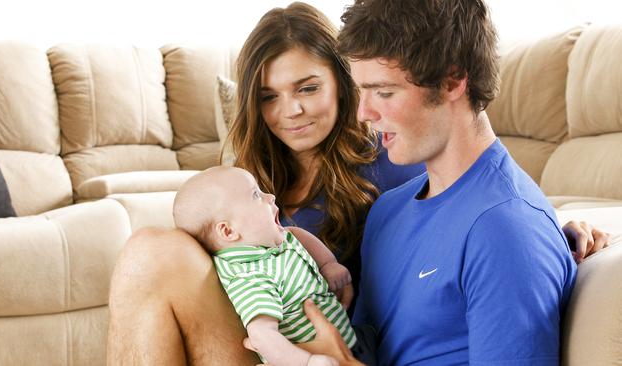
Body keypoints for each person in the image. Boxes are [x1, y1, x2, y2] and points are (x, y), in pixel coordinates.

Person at [106, 2, 609, 365]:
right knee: (153, 251)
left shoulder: (501, 228)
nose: (365, 114)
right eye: (364, 91)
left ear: (454, 81)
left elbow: (499, 225)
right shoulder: (391, 211)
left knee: (154, 255)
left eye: (383, 92)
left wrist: (542, 229)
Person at [172, 166, 356, 366]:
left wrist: (328, 264)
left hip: (350, 339)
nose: (271, 197)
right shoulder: (249, 276)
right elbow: (262, 335)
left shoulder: (274, 241)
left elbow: (296, 234)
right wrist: (307, 362)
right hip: (321, 357)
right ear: (228, 231)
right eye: (255, 195)